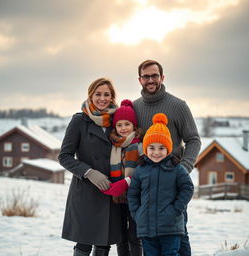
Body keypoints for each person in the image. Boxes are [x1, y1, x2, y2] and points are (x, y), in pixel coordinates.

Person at [133, 60, 201, 256]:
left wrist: (183, 169)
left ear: (162, 77)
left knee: (180, 233)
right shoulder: (136, 107)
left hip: (172, 181)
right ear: (140, 80)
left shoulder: (178, 106)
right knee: (149, 238)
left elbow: (193, 140)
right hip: (146, 180)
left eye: (155, 75)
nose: (150, 80)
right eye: (146, 76)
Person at [58, 78, 124, 256]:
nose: (102, 98)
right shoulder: (80, 120)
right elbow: (64, 156)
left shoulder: (118, 121)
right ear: (90, 95)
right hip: (86, 190)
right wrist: (89, 172)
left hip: (111, 190)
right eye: (98, 94)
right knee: (84, 242)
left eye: (106, 95)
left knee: (104, 242)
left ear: (112, 97)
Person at [127, 113, 194, 256]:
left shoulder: (177, 169)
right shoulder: (140, 170)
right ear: (145, 149)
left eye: (161, 148)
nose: (156, 152)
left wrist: (175, 210)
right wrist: (137, 214)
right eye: (152, 148)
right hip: (147, 227)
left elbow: (187, 188)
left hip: (171, 227)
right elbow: (133, 194)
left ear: (168, 149)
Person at [102, 99, 143, 256]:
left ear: (133, 125)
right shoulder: (113, 146)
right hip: (117, 198)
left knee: (134, 235)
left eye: (127, 124)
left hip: (136, 197)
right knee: (120, 236)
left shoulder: (140, 145)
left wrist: (127, 182)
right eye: (119, 125)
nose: (123, 128)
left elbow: (144, 170)